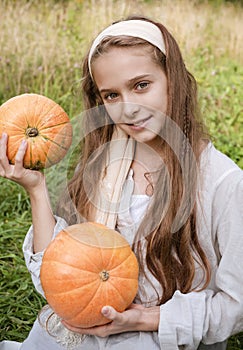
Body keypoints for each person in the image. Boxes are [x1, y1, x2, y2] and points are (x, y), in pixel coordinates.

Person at [0, 15, 243, 350]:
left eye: (141, 85)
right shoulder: (106, 163)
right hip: (86, 336)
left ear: (174, 79)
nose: (128, 108)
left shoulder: (224, 184)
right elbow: (63, 283)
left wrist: (143, 319)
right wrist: (36, 189)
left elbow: (236, 305)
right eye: (112, 95)